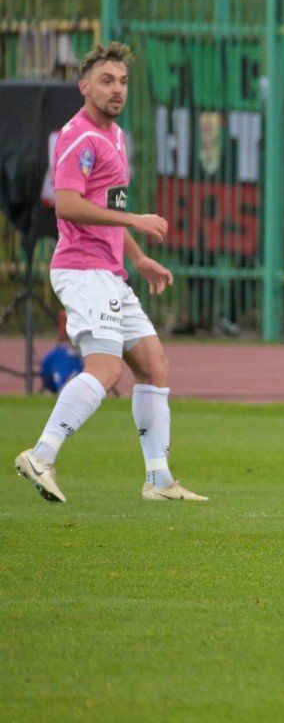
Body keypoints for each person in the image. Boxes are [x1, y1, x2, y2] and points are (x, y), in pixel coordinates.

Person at [14, 43, 204, 504]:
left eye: (121, 81)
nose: (116, 89)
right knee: (105, 369)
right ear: (85, 87)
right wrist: (135, 221)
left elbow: (108, 206)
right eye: (106, 81)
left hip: (110, 270)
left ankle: (158, 479)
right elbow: (68, 203)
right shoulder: (79, 139)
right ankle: (41, 455)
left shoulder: (116, 136)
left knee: (154, 366)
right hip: (82, 271)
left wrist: (135, 255)